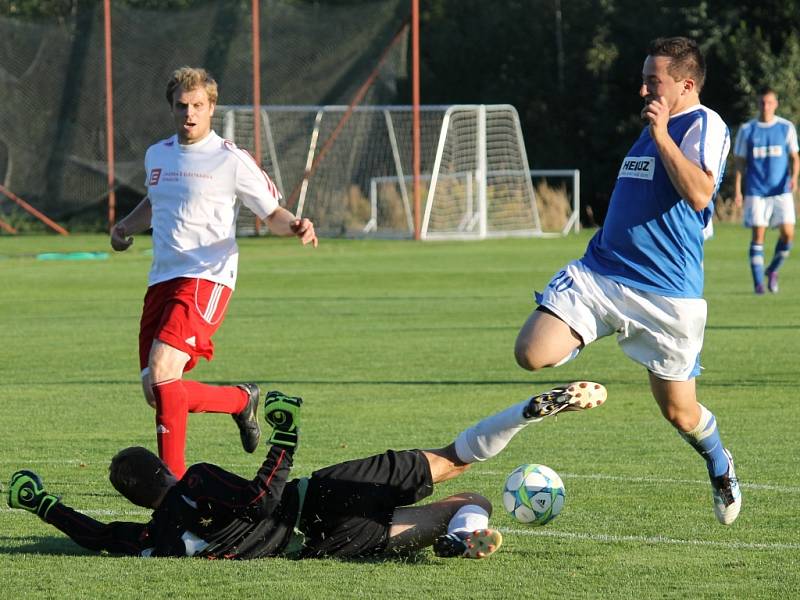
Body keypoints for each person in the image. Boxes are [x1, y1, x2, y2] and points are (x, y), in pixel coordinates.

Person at [513, 37, 741, 525]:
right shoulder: (650, 127)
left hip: (666, 294)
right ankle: (582, 352)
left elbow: (702, 194)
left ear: (685, 84)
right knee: (531, 352)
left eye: (653, 80)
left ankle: (719, 461)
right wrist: (656, 132)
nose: (643, 89)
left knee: (680, 412)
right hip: (603, 272)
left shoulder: (705, 124)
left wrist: (662, 135)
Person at [6, 382, 606, 560]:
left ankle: (456, 535)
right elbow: (261, 498)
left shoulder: (150, 540)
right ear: (161, 469)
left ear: (138, 502)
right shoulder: (194, 481)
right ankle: (524, 414)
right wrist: (285, 438)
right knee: (455, 462)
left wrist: (42, 505)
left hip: (317, 546)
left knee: (463, 503)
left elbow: (96, 536)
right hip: (315, 496)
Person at [109, 67, 318, 479]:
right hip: (161, 279)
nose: (189, 113)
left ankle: (173, 488)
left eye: (198, 106)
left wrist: (294, 224)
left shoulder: (230, 159)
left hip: (207, 276)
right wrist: (123, 228)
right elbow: (155, 202)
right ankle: (240, 401)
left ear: (211, 108)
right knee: (157, 391)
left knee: (165, 371)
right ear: (172, 107)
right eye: (182, 106)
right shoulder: (158, 154)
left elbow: (271, 212)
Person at [733, 87, 800, 294]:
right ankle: (759, 285)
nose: (766, 106)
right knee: (758, 236)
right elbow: (739, 163)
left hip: (781, 191)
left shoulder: (785, 127)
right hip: (756, 191)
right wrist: (738, 190)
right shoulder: (747, 130)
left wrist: (794, 179)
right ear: (758, 103)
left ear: (776, 104)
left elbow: (795, 157)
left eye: (769, 102)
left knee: (788, 234)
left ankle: (772, 270)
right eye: (762, 102)